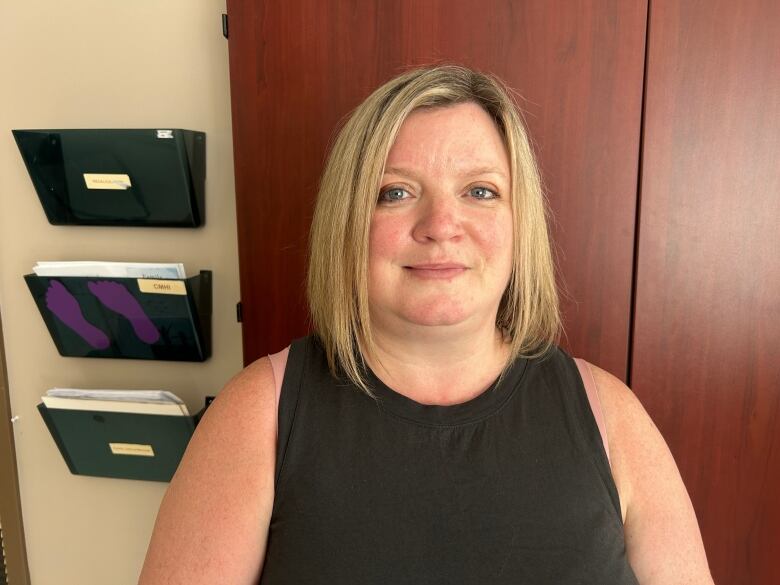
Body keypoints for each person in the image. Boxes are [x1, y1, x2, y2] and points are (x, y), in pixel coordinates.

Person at [138, 65, 714, 584]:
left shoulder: (611, 417)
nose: (441, 224)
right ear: (348, 221)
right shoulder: (256, 416)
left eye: (480, 191)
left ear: (521, 227)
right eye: (396, 193)